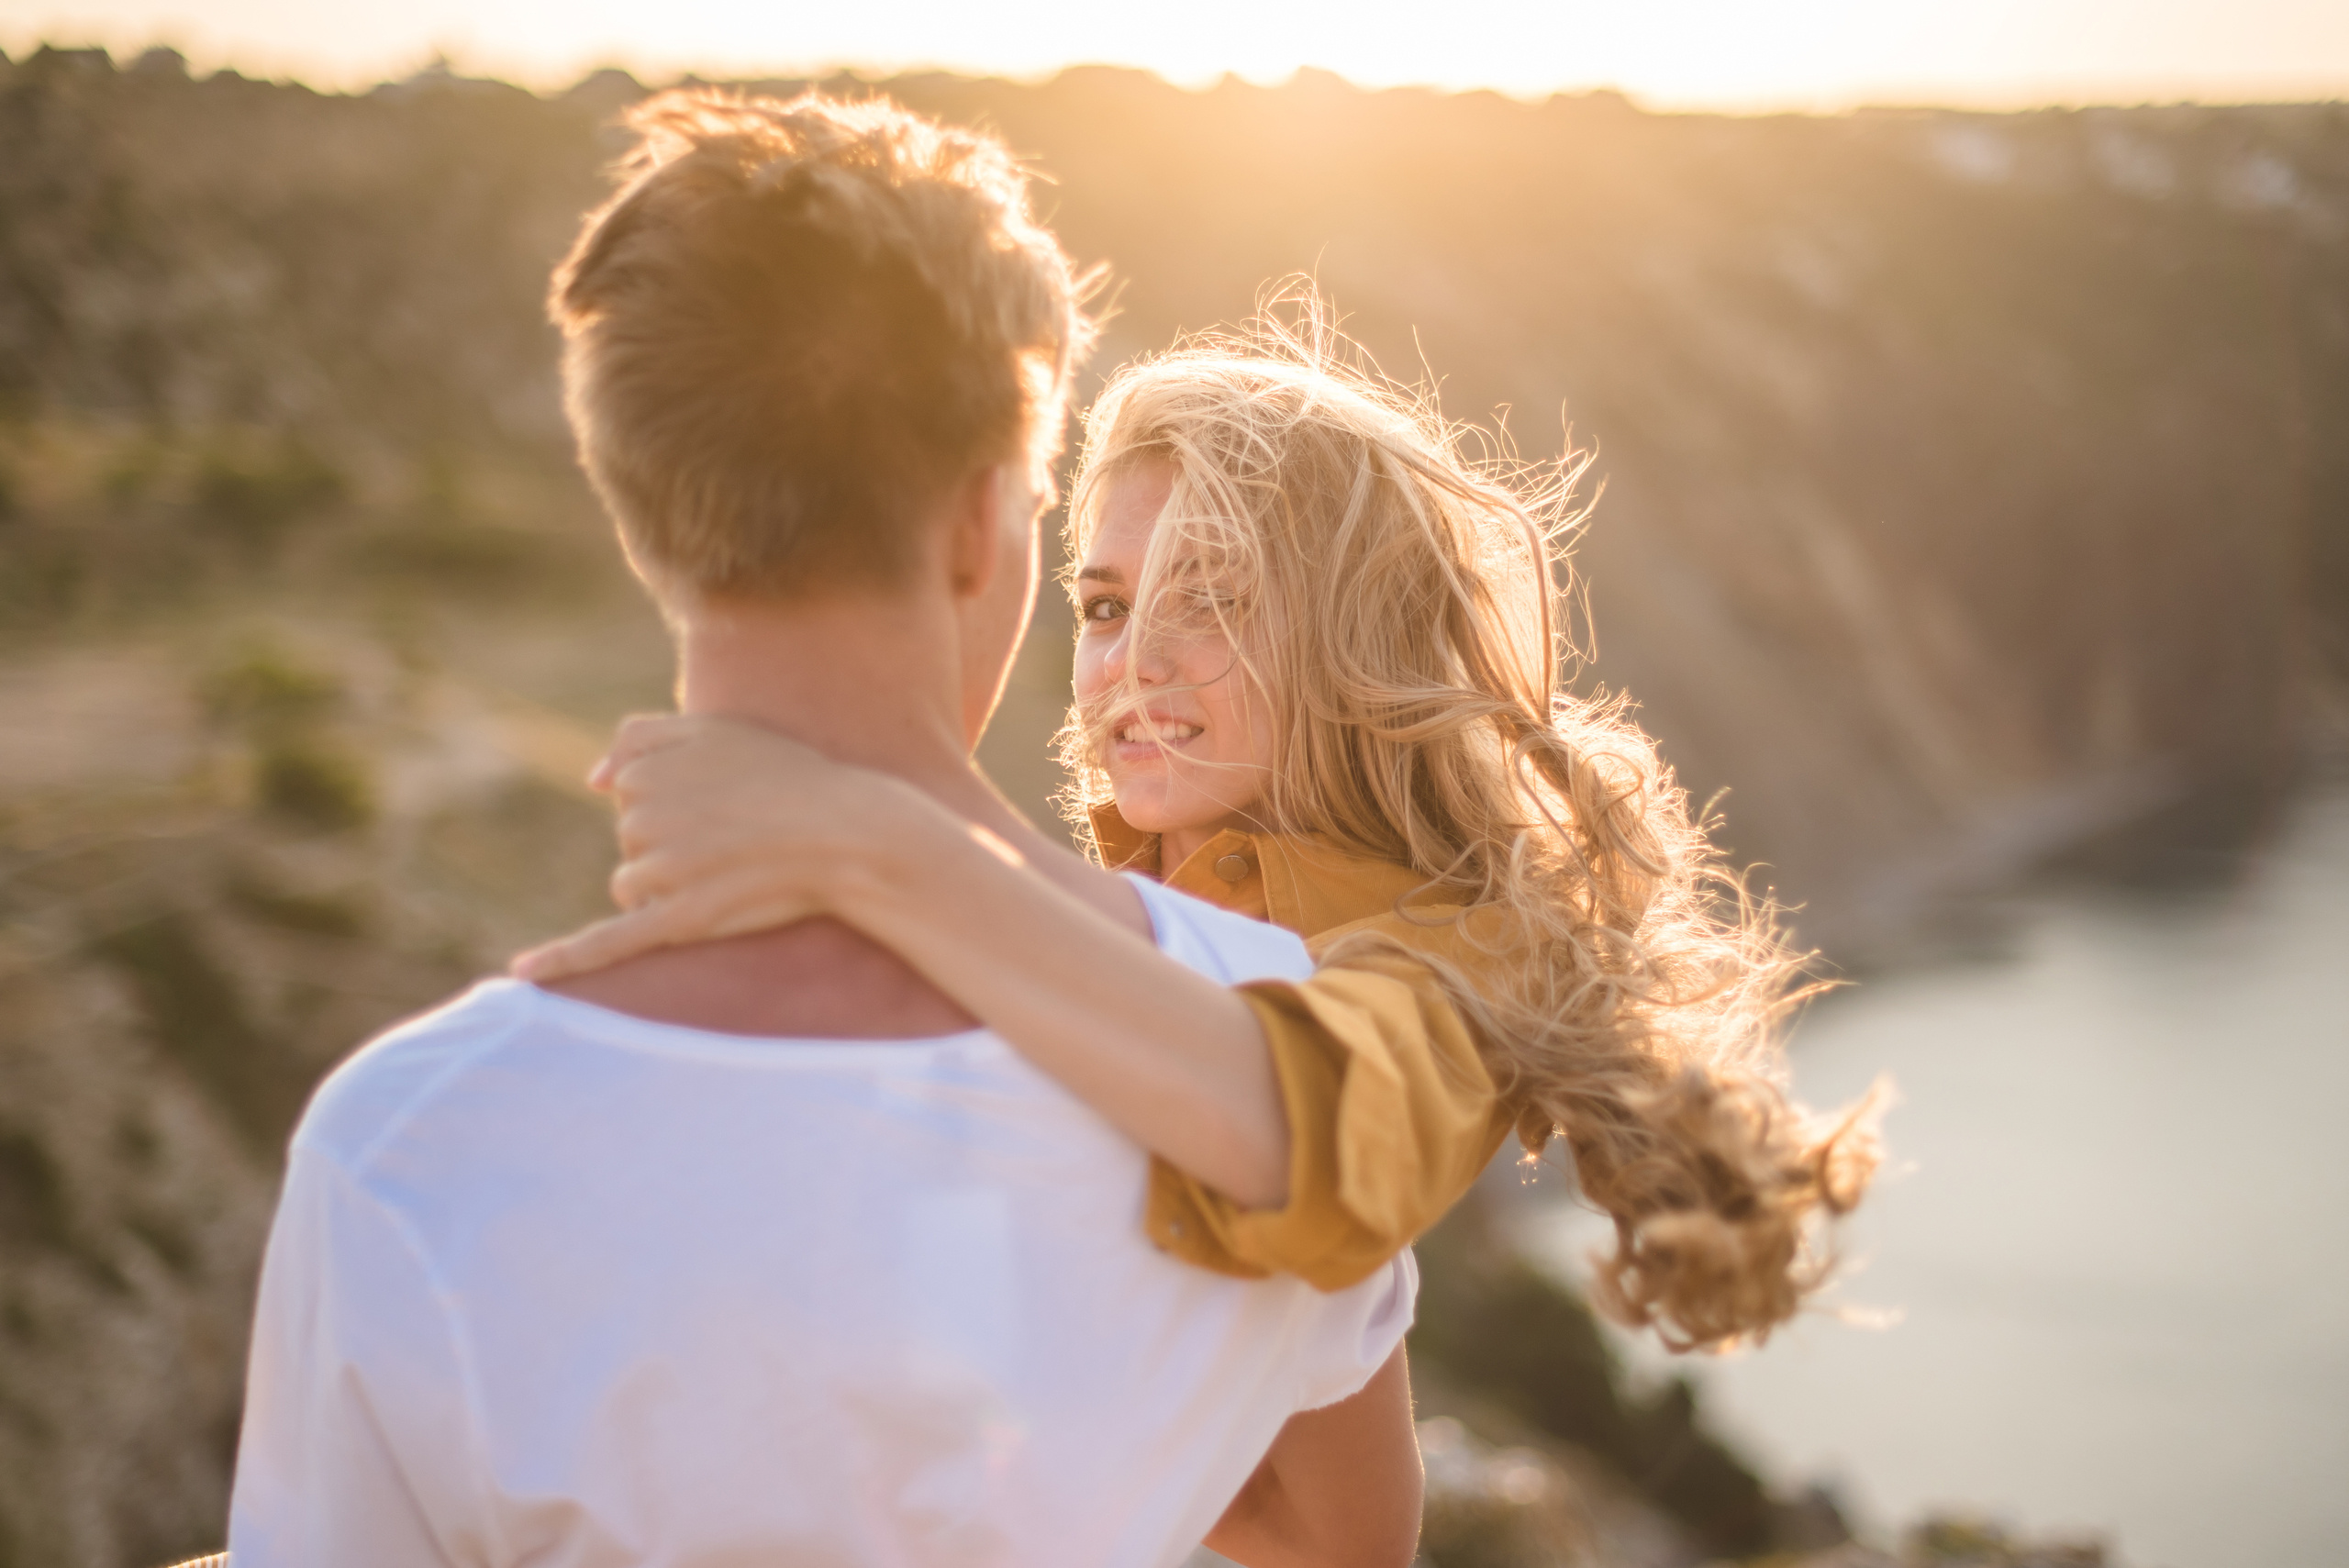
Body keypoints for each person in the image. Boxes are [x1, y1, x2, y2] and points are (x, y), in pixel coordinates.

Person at [227, 90, 1424, 1568]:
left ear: (645, 511)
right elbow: (1345, 1539)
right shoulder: (1264, 1035)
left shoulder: (403, 1151)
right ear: (990, 518)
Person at [515, 296, 1887, 1357]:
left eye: (1215, 600)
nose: (1133, 667)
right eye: (1107, 607)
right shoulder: (1090, 889)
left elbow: (1303, 1151)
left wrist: (868, 837)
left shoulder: (1462, 949)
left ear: (1358, 643)